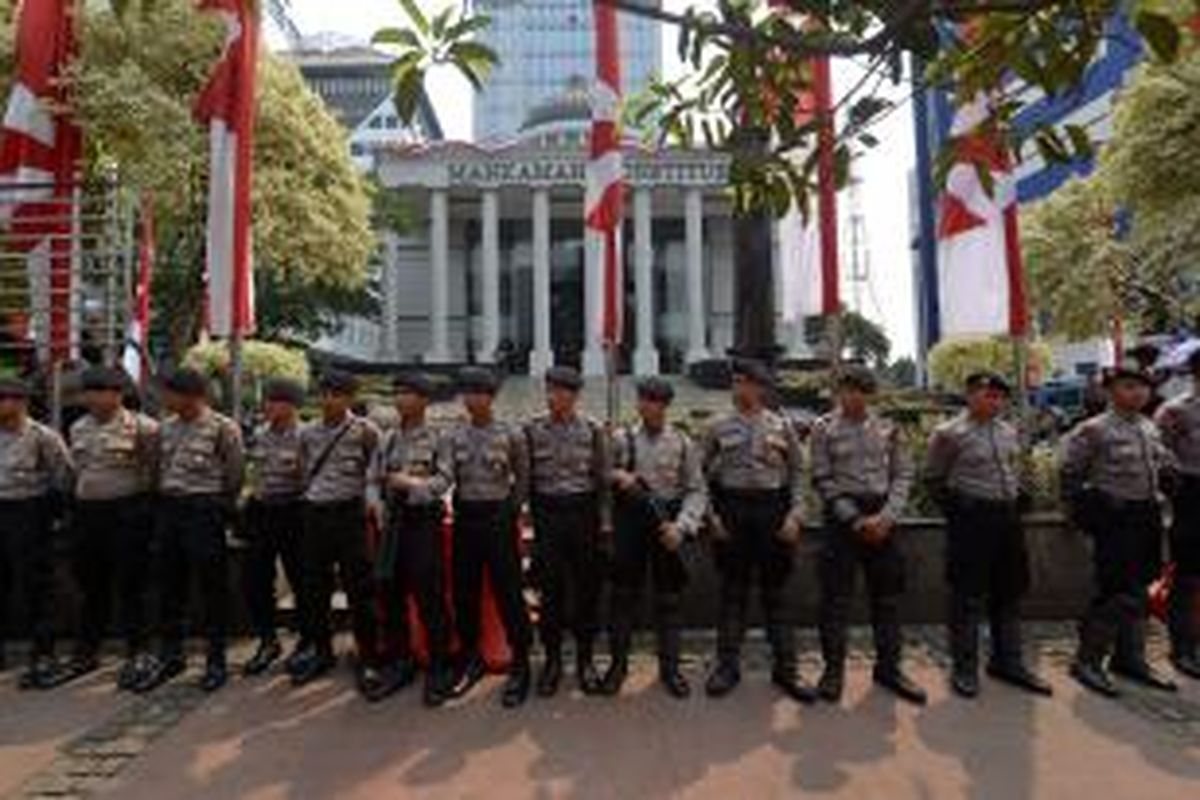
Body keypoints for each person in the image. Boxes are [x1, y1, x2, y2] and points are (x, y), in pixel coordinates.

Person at [926, 371, 1051, 699]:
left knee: (1009, 591)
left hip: (1006, 519)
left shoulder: (1008, 431)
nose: (993, 401)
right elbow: (934, 480)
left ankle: (1007, 661)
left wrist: (1020, 495)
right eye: (986, 394)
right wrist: (960, 510)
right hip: (971, 520)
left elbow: (1012, 469)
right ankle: (965, 667)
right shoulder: (949, 433)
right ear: (969, 395)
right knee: (967, 596)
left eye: (998, 396)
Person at [810, 366, 926, 705]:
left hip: (882, 517)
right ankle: (833, 672)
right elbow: (821, 476)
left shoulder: (889, 428)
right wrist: (855, 520)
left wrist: (887, 517)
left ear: (871, 394)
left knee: (887, 599)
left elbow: (903, 474)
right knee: (835, 601)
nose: (852, 396)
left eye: (860, 390)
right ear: (838, 392)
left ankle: (889, 669)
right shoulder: (823, 428)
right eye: (846, 390)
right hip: (842, 521)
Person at [702, 358, 814, 702]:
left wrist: (796, 515)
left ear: (760, 388)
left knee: (776, 595)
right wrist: (711, 517)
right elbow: (698, 477)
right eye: (735, 382)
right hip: (732, 512)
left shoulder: (782, 426)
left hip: (772, 513)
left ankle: (786, 670)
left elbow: (799, 474)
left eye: (746, 383)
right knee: (732, 594)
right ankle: (727, 667)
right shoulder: (716, 427)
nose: (739, 388)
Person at [1064, 367, 1179, 697]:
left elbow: (1161, 461)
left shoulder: (1148, 426)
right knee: (1115, 590)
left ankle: (1130, 659)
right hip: (1114, 518)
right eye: (1128, 387)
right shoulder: (1093, 430)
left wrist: (1169, 474)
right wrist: (1083, 512)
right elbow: (1070, 474)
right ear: (1110, 391)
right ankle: (1087, 660)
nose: (1138, 394)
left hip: (1147, 515)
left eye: (1142, 388)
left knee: (1142, 587)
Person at [133, 368, 243, 693]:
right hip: (170, 510)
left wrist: (219, 508)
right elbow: (155, 470)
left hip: (205, 511)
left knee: (212, 587)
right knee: (170, 586)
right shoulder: (162, 430)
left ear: (192, 396)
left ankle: (216, 659)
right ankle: (172, 655)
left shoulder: (223, 428)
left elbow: (234, 475)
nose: (165, 399)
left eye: (170, 393)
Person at [604, 376, 706, 699]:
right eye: (642, 399)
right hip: (630, 526)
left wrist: (683, 526)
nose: (644, 405)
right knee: (622, 598)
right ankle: (618, 666)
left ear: (664, 405)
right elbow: (601, 472)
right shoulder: (622, 439)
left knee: (669, 601)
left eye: (651, 400)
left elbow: (696, 490)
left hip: (667, 526)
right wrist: (617, 475)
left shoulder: (682, 443)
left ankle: (670, 669)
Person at [60, 366, 159, 690]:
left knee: (132, 586)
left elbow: (154, 471)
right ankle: (87, 652)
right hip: (88, 515)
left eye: (102, 391)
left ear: (119, 394)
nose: (94, 398)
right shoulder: (77, 428)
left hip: (128, 513)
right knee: (90, 585)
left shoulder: (143, 428)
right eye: (89, 392)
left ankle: (139, 651)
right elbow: (75, 472)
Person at [444, 367, 533, 707]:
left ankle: (521, 662)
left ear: (491, 397)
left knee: (509, 591)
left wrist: (511, 510)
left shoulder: (511, 434)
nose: (470, 399)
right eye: (466, 392)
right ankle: (470, 658)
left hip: (498, 517)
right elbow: (447, 474)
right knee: (465, 591)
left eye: (477, 392)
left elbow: (523, 478)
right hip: (467, 517)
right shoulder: (454, 435)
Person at [290, 371, 382, 692]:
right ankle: (321, 651)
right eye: (325, 393)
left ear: (350, 398)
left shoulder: (366, 432)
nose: (330, 399)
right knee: (314, 588)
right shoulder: (307, 433)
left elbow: (374, 473)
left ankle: (369, 655)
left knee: (360, 590)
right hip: (316, 516)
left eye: (338, 394)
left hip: (350, 516)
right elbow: (302, 470)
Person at [524, 366, 612, 697]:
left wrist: (604, 523)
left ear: (574, 396)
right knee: (551, 592)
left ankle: (586, 661)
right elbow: (526, 477)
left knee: (586, 591)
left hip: (583, 514)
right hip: (548, 515)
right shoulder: (532, 430)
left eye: (561, 391)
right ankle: (552, 662)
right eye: (549, 390)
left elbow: (602, 480)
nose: (553, 397)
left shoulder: (592, 430)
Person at [371, 372, 455, 706]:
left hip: (423, 521)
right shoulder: (388, 438)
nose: (399, 399)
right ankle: (400, 660)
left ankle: (439, 664)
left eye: (407, 393)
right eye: (397, 392)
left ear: (424, 400)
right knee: (390, 591)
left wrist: (413, 486)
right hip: (392, 522)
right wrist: (375, 504)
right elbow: (373, 477)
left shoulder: (439, 437)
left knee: (428, 593)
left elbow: (446, 478)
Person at [0, 377, 72, 686]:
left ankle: (43, 652)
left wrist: (52, 514)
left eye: (4, 398)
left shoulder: (43, 437)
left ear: (20, 402)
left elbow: (64, 477)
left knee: (36, 585)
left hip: (29, 512)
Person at [240, 377, 307, 677]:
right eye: (266, 400)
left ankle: (308, 641)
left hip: (295, 512)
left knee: (302, 578)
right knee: (255, 578)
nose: (267, 406)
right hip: (262, 511)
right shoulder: (259, 434)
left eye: (274, 401)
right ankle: (268, 640)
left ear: (292, 406)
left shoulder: (307, 436)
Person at [1155, 350, 1200, 680]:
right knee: (1187, 577)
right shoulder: (1174, 412)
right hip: (1191, 496)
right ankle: (1183, 648)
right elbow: (1159, 457)